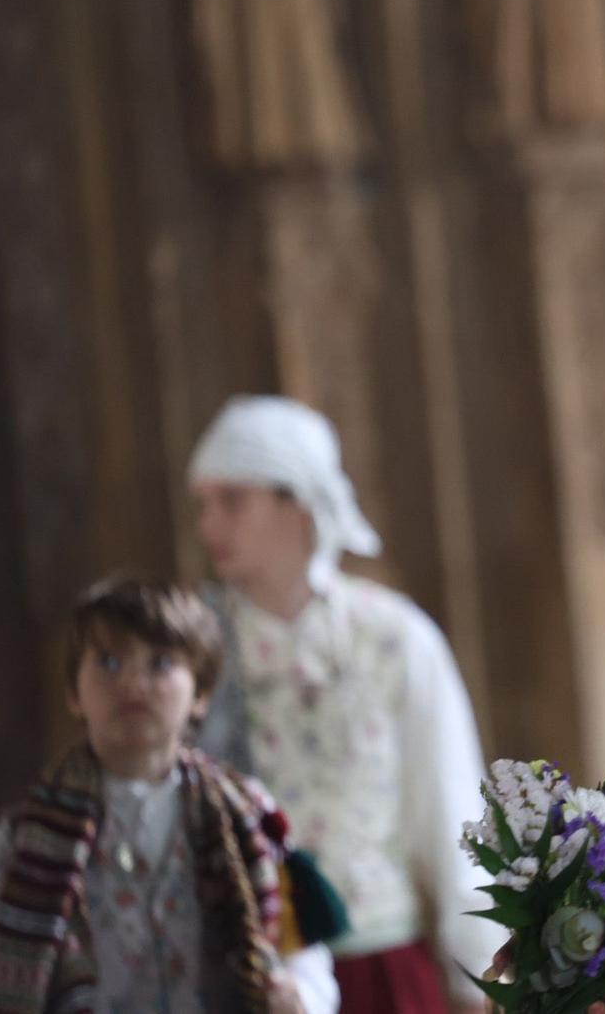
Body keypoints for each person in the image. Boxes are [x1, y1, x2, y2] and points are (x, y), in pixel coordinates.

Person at [187, 396, 498, 1014]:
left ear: (294, 501)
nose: (208, 526)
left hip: (381, 970)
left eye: (232, 501)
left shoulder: (392, 635)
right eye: (202, 506)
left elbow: (449, 809)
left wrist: (481, 973)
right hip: (247, 975)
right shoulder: (192, 646)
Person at [0, 579, 340, 1013]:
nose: (132, 683)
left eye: (160, 664)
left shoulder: (249, 816)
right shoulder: (25, 837)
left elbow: (305, 958)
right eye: (109, 663)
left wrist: (298, 995)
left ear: (200, 694)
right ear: (75, 693)